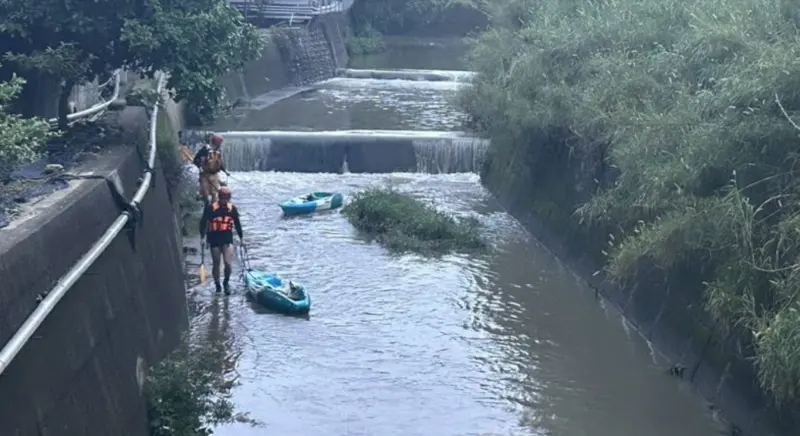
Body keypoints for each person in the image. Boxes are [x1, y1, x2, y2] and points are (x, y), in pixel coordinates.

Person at [199, 187, 244, 295]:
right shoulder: (211, 208)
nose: (225, 201)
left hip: (227, 238)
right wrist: (202, 237)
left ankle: (226, 282)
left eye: (227, 199)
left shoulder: (232, 209)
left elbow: (237, 224)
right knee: (216, 262)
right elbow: (203, 223)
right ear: (219, 198)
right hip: (214, 238)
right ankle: (217, 285)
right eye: (223, 198)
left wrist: (242, 238)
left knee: (228, 263)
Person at [193, 134, 230, 206]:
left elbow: (219, 163)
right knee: (205, 192)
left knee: (214, 193)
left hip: (214, 175)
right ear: (217, 143)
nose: (220, 145)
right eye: (220, 143)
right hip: (205, 175)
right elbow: (195, 160)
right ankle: (205, 205)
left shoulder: (218, 151)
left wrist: (225, 171)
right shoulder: (205, 149)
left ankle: (212, 207)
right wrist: (200, 167)